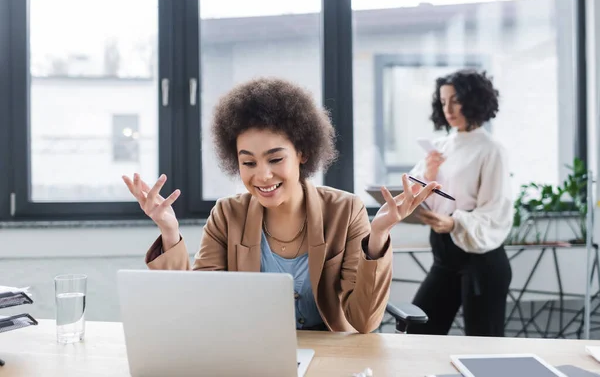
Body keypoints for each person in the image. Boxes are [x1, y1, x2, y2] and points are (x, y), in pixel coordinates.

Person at [122, 77, 439, 334]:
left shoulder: (346, 210)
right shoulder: (227, 214)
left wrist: (379, 234)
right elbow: (197, 310)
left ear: (302, 152)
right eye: (248, 162)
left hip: (331, 358)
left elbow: (364, 322)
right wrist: (169, 231)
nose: (262, 175)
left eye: (275, 159)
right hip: (252, 358)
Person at [408, 69, 513, 337]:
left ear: (474, 99)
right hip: (444, 256)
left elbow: (495, 211)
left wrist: (454, 222)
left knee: (483, 349)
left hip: (481, 262)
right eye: (443, 102)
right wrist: (428, 175)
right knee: (417, 330)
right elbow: (414, 194)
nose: (448, 108)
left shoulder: (492, 150)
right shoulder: (439, 147)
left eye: (456, 100)